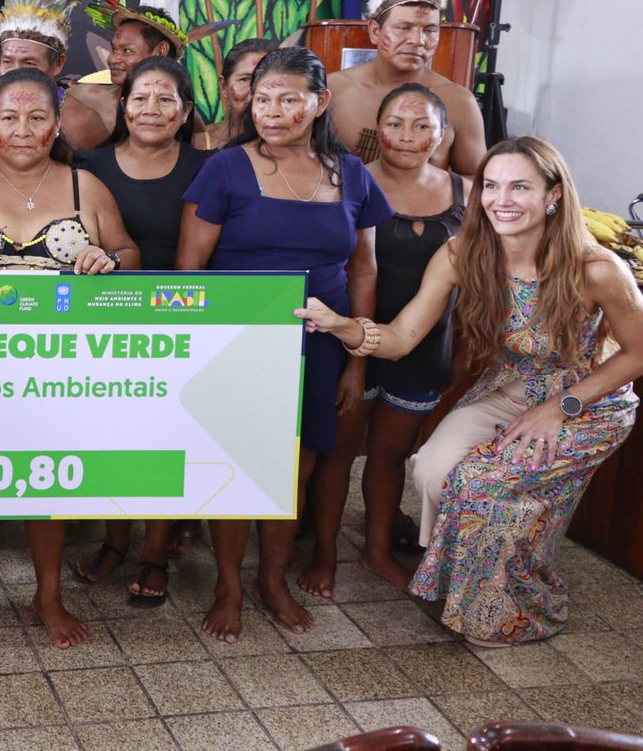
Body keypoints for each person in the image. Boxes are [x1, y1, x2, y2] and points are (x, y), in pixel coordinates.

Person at [298, 137, 643, 646]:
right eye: (491, 186)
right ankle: (471, 581)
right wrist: (341, 325)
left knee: (481, 485)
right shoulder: (463, 253)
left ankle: (515, 608)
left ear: (553, 194)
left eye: (520, 187)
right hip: (509, 387)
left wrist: (559, 407)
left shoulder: (596, 268)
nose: (502, 200)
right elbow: (401, 338)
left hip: (586, 402)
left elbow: (637, 353)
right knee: (432, 470)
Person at [0, 68, 138, 648]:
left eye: (37, 117)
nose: (22, 129)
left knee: (48, 476)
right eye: (9, 117)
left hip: (60, 366)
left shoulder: (85, 187)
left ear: (56, 125)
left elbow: (127, 252)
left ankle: (48, 594)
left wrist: (108, 262)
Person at [176, 45, 391, 642]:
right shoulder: (225, 168)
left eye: (288, 99)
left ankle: (272, 581)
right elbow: (189, 270)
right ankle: (228, 586)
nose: (271, 111)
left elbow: (364, 269)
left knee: (295, 467)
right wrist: (200, 351)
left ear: (319, 103)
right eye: (262, 98)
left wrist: (356, 360)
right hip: (236, 344)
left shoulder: (352, 174)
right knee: (234, 464)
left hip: (320, 345)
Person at [304, 84, 465, 596]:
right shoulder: (349, 181)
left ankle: (377, 552)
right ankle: (324, 554)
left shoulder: (468, 192)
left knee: (391, 457)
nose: (408, 136)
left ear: (444, 134)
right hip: (351, 341)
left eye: (423, 126)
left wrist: (462, 350)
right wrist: (354, 360)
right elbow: (351, 269)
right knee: (337, 455)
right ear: (378, 129)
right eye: (395, 124)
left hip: (425, 349)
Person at [74, 56, 211, 603]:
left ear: (185, 111)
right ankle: (114, 541)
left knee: (167, 439)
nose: (151, 109)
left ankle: (154, 553)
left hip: (182, 322)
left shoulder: (209, 168)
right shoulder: (89, 167)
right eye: (140, 98)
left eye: (165, 99)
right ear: (123, 106)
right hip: (105, 323)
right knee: (112, 436)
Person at [328, 0, 486, 173]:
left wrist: (426, 186)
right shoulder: (334, 91)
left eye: (429, 30)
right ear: (375, 31)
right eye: (403, 28)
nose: (417, 40)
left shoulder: (458, 102)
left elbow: (475, 181)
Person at [64, 4, 189, 151]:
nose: (112, 59)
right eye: (114, 49)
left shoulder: (184, 115)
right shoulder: (75, 98)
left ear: (161, 51)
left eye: (127, 50)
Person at [195, 39, 274, 150]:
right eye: (245, 79)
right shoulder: (199, 145)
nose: (256, 90)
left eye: (266, 79)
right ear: (223, 86)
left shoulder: (292, 145)